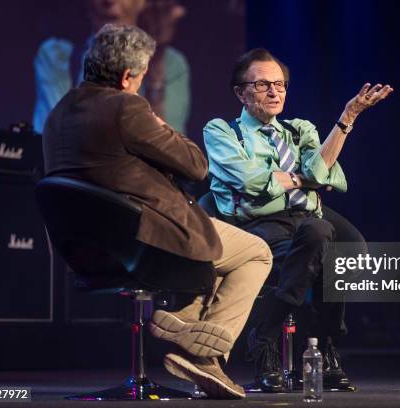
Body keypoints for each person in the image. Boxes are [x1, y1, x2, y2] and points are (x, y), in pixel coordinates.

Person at [42, 24, 272, 399]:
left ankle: (191, 333)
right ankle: (203, 348)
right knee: (256, 253)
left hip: (88, 249)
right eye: (143, 74)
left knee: (214, 260)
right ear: (127, 76)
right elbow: (196, 166)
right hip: (145, 240)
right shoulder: (127, 107)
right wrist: (164, 126)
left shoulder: (58, 113)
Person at [203, 48, 393, 391]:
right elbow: (250, 183)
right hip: (257, 225)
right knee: (321, 235)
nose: (275, 92)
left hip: (306, 218)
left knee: (343, 247)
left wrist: (347, 117)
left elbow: (327, 176)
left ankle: (287, 338)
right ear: (240, 92)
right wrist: (302, 178)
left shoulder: (300, 128)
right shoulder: (223, 132)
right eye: (262, 85)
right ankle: (291, 348)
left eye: (280, 84)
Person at [33, 0, 190, 134]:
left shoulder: (171, 63)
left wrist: (156, 65)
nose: (109, 2)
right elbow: (53, 136)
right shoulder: (57, 56)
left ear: (143, 3)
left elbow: (171, 153)